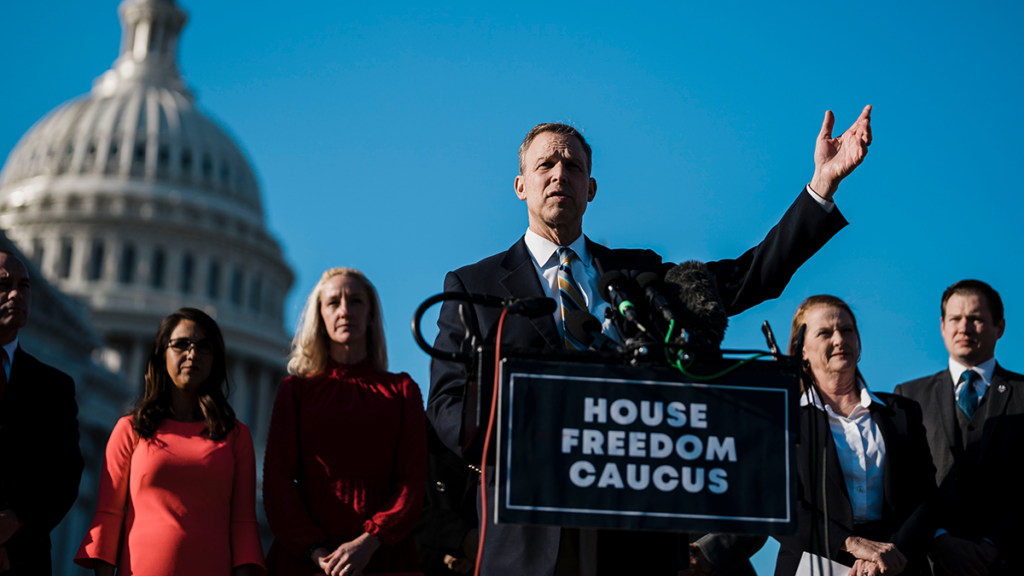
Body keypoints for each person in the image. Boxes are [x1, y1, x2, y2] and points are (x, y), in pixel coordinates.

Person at [428, 109, 872, 576]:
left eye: (573, 166)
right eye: (545, 165)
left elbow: (747, 278)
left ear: (590, 189)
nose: (560, 174)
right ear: (520, 185)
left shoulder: (637, 274)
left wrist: (822, 186)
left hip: (635, 531)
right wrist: (527, 443)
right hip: (530, 530)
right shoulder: (474, 285)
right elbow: (447, 406)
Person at [74, 308, 266, 576]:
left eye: (204, 346)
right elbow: (109, 515)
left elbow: (244, 523)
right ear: (162, 353)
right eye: (181, 345)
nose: (192, 354)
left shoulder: (236, 437)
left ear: (216, 359)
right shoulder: (129, 430)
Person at [263, 267, 427, 576]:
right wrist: (315, 552)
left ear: (371, 315)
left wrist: (370, 541)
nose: (344, 311)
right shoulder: (295, 390)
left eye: (355, 301)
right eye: (333, 303)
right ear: (319, 316)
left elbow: (413, 481)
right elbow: (277, 479)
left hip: (384, 555)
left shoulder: (402, 390)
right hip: (307, 559)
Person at [774, 295, 935, 576]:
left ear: (858, 340)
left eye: (847, 330)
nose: (839, 339)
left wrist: (887, 555)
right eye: (825, 333)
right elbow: (778, 507)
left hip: (896, 567)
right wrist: (851, 544)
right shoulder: (782, 417)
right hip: (812, 565)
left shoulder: (902, 412)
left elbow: (926, 498)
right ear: (802, 350)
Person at [894, 280, 1024, 576]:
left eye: (975, 319)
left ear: (1000, 327)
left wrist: (995, 544)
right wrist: (938, 539)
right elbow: (901, 485)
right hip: (929, 567)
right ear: (942, 326)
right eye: (955, 319)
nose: (963, 328)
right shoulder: (907, 396)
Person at [0, 251, 83, 574]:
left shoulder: (55, 386)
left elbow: (65, 474)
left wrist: (17, 519)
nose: (15, 294)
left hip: (24, 560)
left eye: (24, 286)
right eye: (4, 284)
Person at [412, 421, 479, 576]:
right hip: (433, 557)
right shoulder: (415, 436)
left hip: (494, 553)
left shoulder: (511, 433)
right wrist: (461, 538)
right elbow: (403, 500)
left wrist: (481, 544)